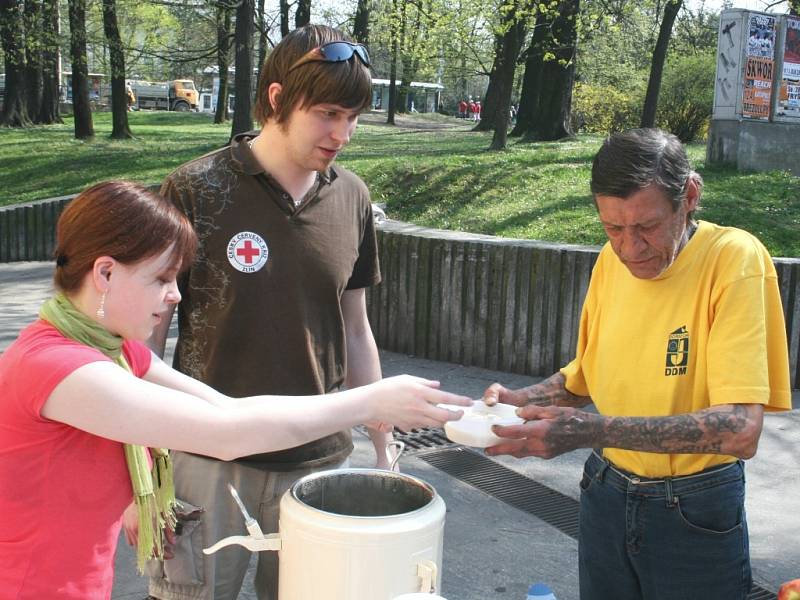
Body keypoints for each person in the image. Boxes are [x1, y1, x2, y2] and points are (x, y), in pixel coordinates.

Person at [0, 180, 470, 600]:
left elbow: (229, 409)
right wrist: (368, 401)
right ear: (104, 273)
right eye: (162, 278)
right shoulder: (58, 366)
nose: (176, 295)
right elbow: (226, 435)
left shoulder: (113, 351)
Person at [144, 23, 413, 600]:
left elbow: (355, 326)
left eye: (354, 117)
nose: (343, 133)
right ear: (277, 99)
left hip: (317, 462)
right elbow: (149, 331)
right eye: (328, 113)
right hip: (205, 458)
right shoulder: (196, 189)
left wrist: (382, 436)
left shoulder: (353, 197)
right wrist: (139, 457)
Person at [482, 128, 792, 600]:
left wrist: (590, 431)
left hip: (694, 506)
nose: (630, 249)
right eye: (613, 228)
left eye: (646, 227)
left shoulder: (733, 259)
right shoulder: (611, 262)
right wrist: (515, 402)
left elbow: (739, 429)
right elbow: (583, 376)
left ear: (688, 196)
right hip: (605, 490)